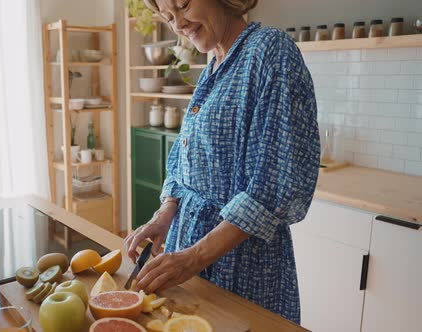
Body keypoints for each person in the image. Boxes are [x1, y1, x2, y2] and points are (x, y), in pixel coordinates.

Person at [124, 0, 320, 324]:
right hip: (188, 257)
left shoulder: (271, 51)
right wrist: (164, 214)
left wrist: (194, 257)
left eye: (183, 5)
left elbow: (274, 185)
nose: (178, 25)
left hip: (243, 267)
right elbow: (186, 161)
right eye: (168, 16)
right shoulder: (214, 62)